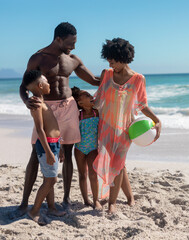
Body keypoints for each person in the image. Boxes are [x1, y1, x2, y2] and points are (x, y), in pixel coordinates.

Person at [12, 22, 99, 218]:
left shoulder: (72, 59)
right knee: (36, 153)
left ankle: (66, 199)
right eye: (70, 42)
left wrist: (119, 76)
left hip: (68, 107)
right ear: (58, 38)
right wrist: (27, 101)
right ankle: (25, 202)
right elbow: (23, 85)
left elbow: (94, 80)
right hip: (46, 109)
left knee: (67, 153)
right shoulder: (38, 58)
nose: (74, 46)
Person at [94, 38, 161, 214]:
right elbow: (97, 100)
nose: (111, 64)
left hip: (125, 130)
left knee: (117, 163)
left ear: (124, 58)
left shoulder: (138, 79)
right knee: (118, 165)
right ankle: (130, 197)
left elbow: (142, 105)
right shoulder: (106, 74)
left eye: (113, 61)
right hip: (106, 127)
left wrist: (157, 120)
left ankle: (111, 203)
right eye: (108, 60)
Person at [23, 70, 66, 225]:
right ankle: (34, 210)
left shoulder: (42, 101)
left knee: (49, 178)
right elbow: (40, 129)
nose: (50, 84)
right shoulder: (36, 104)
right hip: (46, 146)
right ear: (40, 85)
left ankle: (52, 207)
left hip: (54, 143)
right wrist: (48, 151)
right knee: (51, 179)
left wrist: (59, 147)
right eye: (47, 81)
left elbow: (52, 127)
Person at [71, 86, 102, 210]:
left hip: (93, 148)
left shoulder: (97, 112)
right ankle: (86, 200)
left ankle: (96, 200)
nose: (91, 96)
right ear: (80, 103)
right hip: (79, 148)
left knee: (93, 175)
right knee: (82, 174)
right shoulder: (78, 115)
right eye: (87, 95)